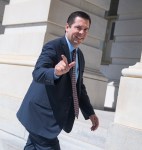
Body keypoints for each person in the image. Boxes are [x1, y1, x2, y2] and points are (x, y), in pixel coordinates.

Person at [17, 11, 99, 150]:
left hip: (49, 118)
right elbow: (38, 73)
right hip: (41, 116)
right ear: (67, 27)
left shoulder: (79, 56)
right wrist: (55, 72)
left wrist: (89, 112)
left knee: (32, 147)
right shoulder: (53, 47)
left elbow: (78, 86)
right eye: (78, 27)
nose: (82, 33)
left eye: (85, 29)